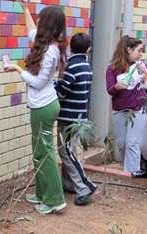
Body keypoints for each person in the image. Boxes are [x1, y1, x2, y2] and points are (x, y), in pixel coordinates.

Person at [4, 0, 67, 214]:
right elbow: (31, 31)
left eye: (40, 19)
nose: (37, 21)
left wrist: (18, 69)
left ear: (47, 23)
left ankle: (54, 199)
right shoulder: (46, 44)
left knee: (46, 152)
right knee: (40, 151)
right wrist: (25, 8)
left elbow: (39, 82)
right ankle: (42, 194)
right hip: (42, 106)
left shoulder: (50, 50)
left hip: (44, 107)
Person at [55, 33, 97, 206]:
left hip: (69, 116)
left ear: (70, 47)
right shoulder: (86, 65)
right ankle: (68, 184)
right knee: (69, 149)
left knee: (66, 152)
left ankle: (84, 186)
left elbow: (61, 92)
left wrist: (52, 85)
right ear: (88, 49)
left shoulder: (71, 66)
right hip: (78, 115)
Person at [106, 35, 147, 173]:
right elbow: (110, 90)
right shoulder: (112, 69)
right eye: (139, 50)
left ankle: (133, 173)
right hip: (119, 110)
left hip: (139, 109)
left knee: (132, 143)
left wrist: (146, 73)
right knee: (122, 144)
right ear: (129, 50)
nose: (141, 54)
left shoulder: (141, 66)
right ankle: (127, 172)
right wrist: (118, 87)